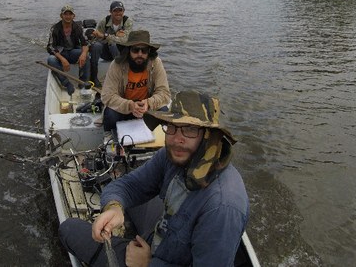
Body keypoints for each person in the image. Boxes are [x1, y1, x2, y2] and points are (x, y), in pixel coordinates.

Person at [58, 91, 249, 266]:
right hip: (160, 236)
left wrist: (147, 263)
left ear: (209, 136)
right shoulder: (172, 156)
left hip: (157, 260)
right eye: (172, 127)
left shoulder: (223, 206)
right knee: (127, 195)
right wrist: (113, 207)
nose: (176, 139)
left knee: (69, 230)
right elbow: (130, 185)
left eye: (190, 130)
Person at [100, 30, 170, 143]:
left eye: (144, 51)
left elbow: (164, 93)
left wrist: (149, 103)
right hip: (124, 109)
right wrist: (130, 105)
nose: (140, 54)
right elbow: (107, 96)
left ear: (149, 52)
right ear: (128, 51)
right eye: (135, 50)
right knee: (110, 113)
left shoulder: (156, 63)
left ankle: (162, 141)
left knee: (164, 110)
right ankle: (109, 137)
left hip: (146, 108)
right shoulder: (116, 65)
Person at [46, 4, 89, 96]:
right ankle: (67, 83)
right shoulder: (55, 28)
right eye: (65, 14)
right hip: (61, 53)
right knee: (51, 60)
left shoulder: (78, 27)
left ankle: (83, 82)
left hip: (73, 51)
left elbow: (85, 43)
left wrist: (83, 54)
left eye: (70, 14)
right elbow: (50, 47)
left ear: (74, 16)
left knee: (86, 55)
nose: (68, 16)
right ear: (61, 16)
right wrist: (62, 59)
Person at [89, 0, 134, 87]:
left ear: (123, 11)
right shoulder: (104, 21)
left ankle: (120, 76)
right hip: (106, 52)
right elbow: (97, 37)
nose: (118, 13)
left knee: (113, 44)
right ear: (110, 12)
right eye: (115, 11)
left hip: (121, 53)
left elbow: (125, 40)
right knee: (96, 46)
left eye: (120, 10)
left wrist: (106, 36)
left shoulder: (128, 22)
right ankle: (93, 76)